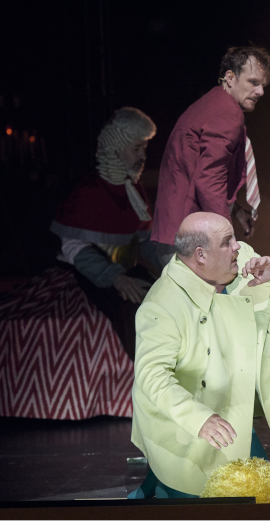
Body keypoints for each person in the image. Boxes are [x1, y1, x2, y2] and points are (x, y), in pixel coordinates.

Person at [129, 212, 270, 498]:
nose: (238, 247)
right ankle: (157, 486)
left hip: (232, 412)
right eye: (227, 242)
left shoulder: (242, 262)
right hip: (186, 422)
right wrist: (199, 419)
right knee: (195, 499)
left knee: (263, 496)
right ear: (201, 255)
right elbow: (152, 377)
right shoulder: (162, 305)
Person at [0, 107, 160, 420]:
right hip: (85, 274)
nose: (143, 155)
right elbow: (74, 246)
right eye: (136, 148)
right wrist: (114, 277)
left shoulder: (133, 189)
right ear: (116, 148)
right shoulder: (88, 190)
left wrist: (174, 269)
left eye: (144, 148)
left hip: (125, 270)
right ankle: (128, 398)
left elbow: (143, 240)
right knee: (120, 313)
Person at [150, 46, 270, 268]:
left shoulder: (212, 103)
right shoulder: (227, 112)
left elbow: (200, 171)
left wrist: (236, 210)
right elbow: (208, 181)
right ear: (230, 77)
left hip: (176, 231)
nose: (260, 92)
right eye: (253, 82)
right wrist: (226, 237)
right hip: (190, 240)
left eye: (263, 85)